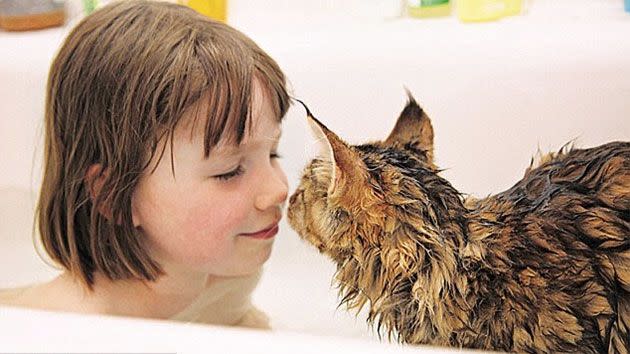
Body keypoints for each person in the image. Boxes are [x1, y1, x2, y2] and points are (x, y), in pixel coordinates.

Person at [0, 0, 290, 329]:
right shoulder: (63, 330)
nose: (278, 189)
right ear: (113, 195)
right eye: (229, 171)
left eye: (273, 154)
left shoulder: (226, 277)